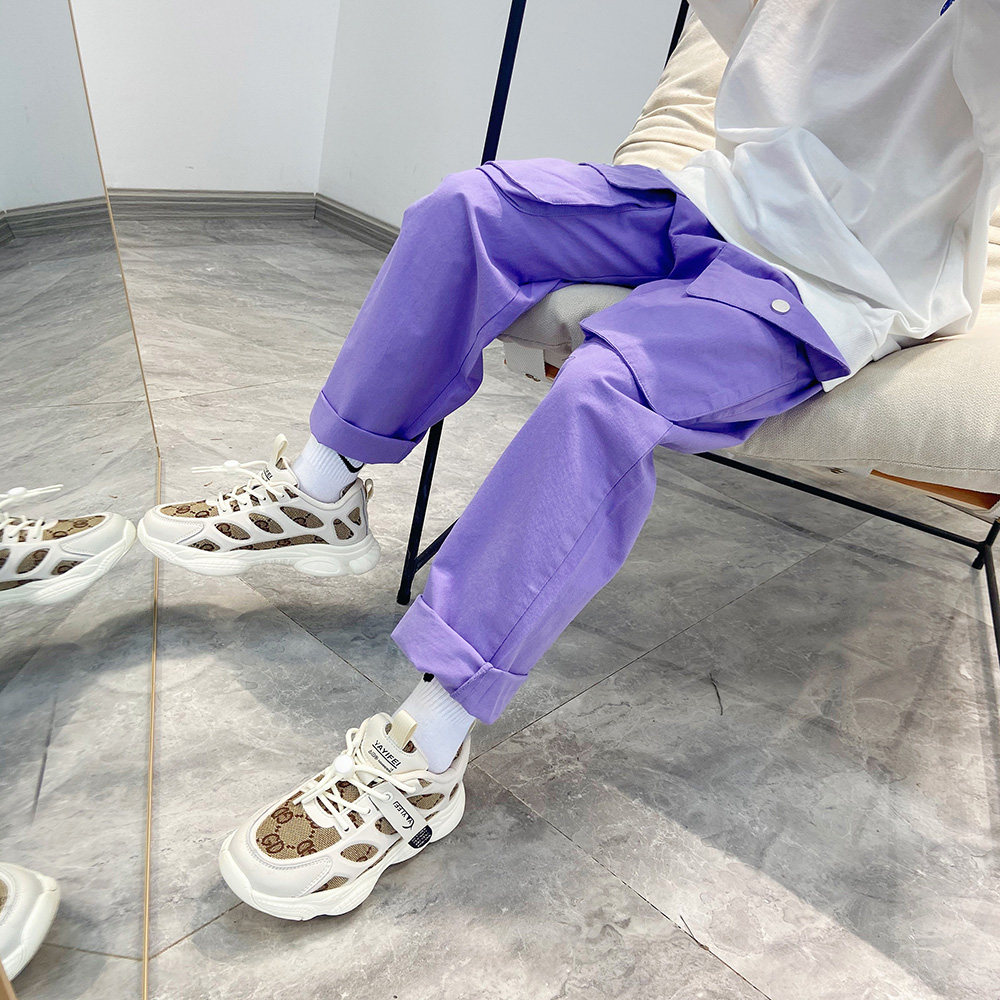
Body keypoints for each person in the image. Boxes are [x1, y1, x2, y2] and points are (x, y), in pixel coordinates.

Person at [137, 0, 999, 920]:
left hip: (837, 278)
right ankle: (322, 492)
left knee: (604, 389)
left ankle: (429, 745)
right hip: (712, 199)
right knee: (469, 208)